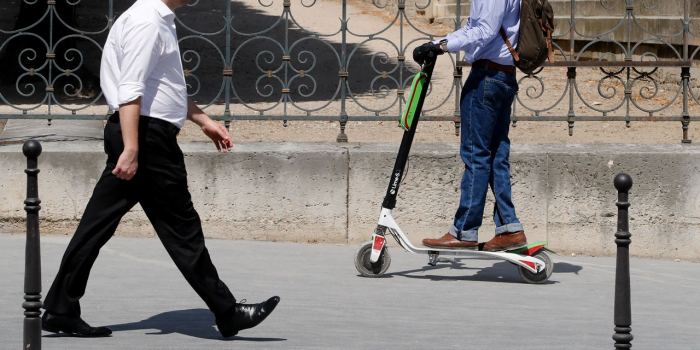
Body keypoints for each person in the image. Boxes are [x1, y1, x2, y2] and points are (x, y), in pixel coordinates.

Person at [41, 0, 279, 338]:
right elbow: (131, 88)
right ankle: (227, 312)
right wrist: (133, 147)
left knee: (96, 226)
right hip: (146, 139)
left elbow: (161, 87)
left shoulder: (154, 19)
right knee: (182, 229)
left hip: (144, 134)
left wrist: (204, 121)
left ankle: (61, 308)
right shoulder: (147, 22)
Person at [415, 0, 528, 251]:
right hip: (501, 76)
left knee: (476, 155)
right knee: (496, 157)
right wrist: (437, 44)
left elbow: (484, 31)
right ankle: (510, 228)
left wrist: (443, 46)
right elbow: (471, 27)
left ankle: (464, 230)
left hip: (486, 79)